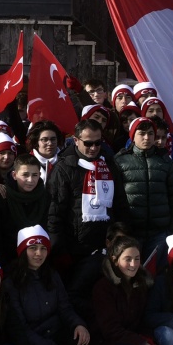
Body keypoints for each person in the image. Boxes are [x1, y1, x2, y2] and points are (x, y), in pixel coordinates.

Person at [5, 226, 90, 345]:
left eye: (43, 248)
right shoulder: (12, 283)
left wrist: (78, 324)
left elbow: (65, 307)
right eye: (33, 248)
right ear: (23, 251)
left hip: (55, 331)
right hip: (33, 343)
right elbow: (21, 328)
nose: (38, 253)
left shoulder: (52, 275)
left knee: (79, 340)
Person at [46, 121, 119, 284]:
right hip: (75, 251)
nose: (93, 148)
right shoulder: (64, 168)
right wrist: (60, 251)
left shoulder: (109, 164)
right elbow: (54, 214)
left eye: (98, 143)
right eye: (88, 143)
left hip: (105, 246)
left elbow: (119, 206)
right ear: (76, 140)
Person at [113, 116, 173, 256]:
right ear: (133, 136)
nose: (147, 137)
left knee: (157, 273)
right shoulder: (120, 162)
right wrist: (119, 229)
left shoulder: (165, 162)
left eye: (151, 133)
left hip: (160, 233)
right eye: (142, 133)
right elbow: (115, 199)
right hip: (131, 233)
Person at [0, 153, 50, 266]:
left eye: (35, 175)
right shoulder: (1, 198)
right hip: (8, 260)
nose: (30, 180)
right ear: (14, 175)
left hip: (38, 260)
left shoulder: (46, 197)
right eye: (25, 175)